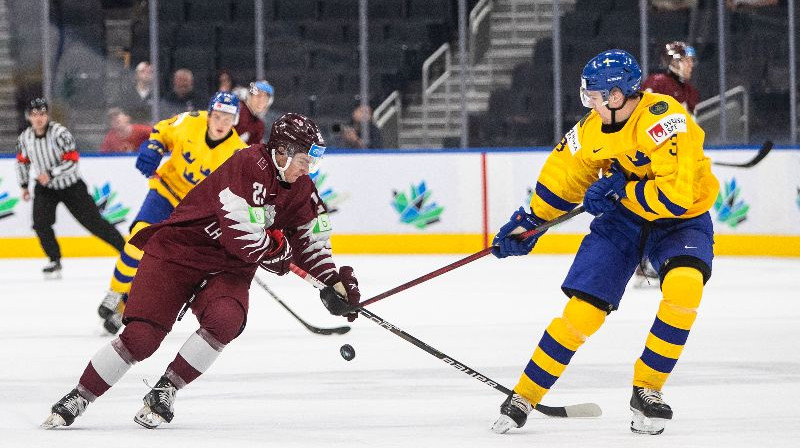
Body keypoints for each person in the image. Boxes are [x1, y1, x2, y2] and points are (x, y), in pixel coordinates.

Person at [42, 113, 361, 430]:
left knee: (225, 320)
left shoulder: (303, 188)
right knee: (141, 339)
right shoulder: (248, 164)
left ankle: (165, 391)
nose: (308, 169)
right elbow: (243, 236)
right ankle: (79, 396)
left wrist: (332, 281)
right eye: (304, 160)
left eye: (312, 162)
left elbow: (312, 239)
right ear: (282, 153)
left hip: (227, 269)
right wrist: (277, 251)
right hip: (178, 252)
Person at [489, 50, 718, 436]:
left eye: (594, 96)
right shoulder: (591, 129)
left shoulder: (665, 118)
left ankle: (648, 389)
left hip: (681, 219)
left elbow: (675, 197)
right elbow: (565, 175)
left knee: (685, 288)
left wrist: (622, 190)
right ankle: (525, 394)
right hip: (623, 220)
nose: (589, 103)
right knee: (583, 311)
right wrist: (531, 222)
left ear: (615, 95)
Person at [96, 92, 247, 335]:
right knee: (138, 240)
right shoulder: (189, 121)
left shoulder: (237, 153)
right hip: (165, 193)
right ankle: (115, 292)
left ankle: (126, 307)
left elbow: (236, 195)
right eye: (217, 116)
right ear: (209, 114)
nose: (221, 123)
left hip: (192, 213)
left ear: (236, 121)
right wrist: (154, 148)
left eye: (227, 119)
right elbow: (161, 131)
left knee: (162, 268)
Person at [14, 98, 126, 278]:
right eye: (35, 115)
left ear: (47, 115)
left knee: (94, 222)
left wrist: (50, 172)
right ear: (29, 117)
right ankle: (54, 260)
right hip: (46, 188)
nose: (39, 118)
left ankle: (126, 253)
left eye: (42, 114)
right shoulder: (25, 138)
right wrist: (24, 185)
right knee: (40, 223)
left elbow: (72, 161)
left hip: (71, 186)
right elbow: (22, 162)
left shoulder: (60, 133)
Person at [638, 41, 701, 287]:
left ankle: (660, 258)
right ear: (673, 63)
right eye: (687, 60)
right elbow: (643, 120)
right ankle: (645, 262)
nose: (691, 65)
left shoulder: (690, 92)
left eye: (691, 60)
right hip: (654, 162)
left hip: (676, 164)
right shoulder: (657, 84)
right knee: (652, 209)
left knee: (673, 210)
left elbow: (689, 130)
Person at [234, 80, 274, 145]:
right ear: (249, 96)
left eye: (265, 98)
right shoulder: (237, 111)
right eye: (258, 95)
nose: (261, 101)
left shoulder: (259, 125)